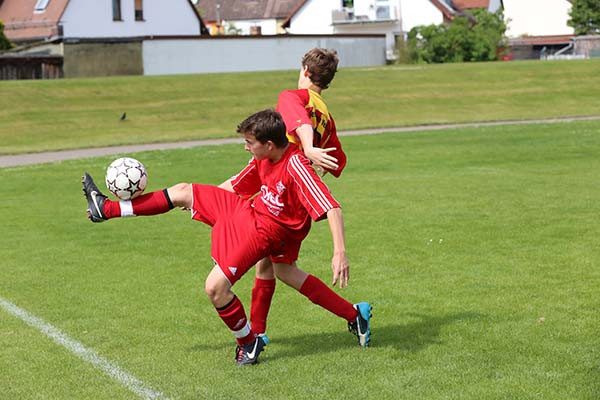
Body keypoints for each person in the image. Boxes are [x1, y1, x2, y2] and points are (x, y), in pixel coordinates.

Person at [82, 109, 371, 366]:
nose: (246, 148)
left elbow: (331, 206)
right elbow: (234, 185)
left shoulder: (296, 166)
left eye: (249, 143)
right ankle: (105, 208)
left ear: (269, 144)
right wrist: (202, 202)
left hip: (267, 232)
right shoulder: (264, 158)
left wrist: (339, 252)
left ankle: (249, 342)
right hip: (250, 214)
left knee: (216, 288)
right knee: (184, 191)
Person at [248, 48, 349, 339]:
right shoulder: (326, 115)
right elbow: (339, 158)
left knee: (266, 260)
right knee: (272, 266)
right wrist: (319, 162)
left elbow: (299, 121)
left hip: (283, 190)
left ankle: (353, 313)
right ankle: (258, 332)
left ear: (305, 70)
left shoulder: (293, 96)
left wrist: (307, 148)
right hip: (297, 198)